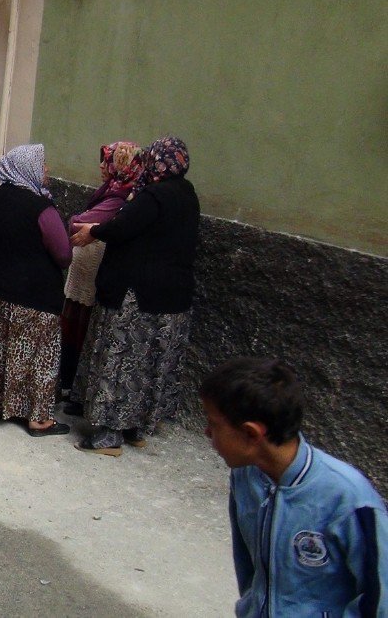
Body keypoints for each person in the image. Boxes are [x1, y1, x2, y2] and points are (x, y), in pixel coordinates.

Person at [200, 357, 388, 616]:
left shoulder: (348, 498)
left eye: (214, 424)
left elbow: (381, 600)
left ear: (252, 434)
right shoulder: (246, 475)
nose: (207, 432)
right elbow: (248, 566)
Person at [70, 137, 200, 455]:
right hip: (171, 297)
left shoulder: (154, 195)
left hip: (137, 296)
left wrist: (93, 232)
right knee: (149, 363)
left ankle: (110, 434)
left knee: (122, 360)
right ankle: (135, 427)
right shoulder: (187, 193)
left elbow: (124, 226)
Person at [0, 144, 73, 436]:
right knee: (36, 355)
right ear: (28, 167)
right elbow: (63, 254)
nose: (47, 170)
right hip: (31, 295)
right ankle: (38, 418)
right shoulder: (41, 208)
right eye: (42, 165)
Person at [59, 142, 142, 411]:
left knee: (80, 332)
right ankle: (68, 385)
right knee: (73, 330)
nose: (101, 167)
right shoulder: (112, 191)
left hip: (91, 278)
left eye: (107, 161)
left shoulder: (121, 197)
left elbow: (77, 222)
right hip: (83, 273)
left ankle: (71, 389)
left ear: (121, 166)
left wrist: (88, 225)